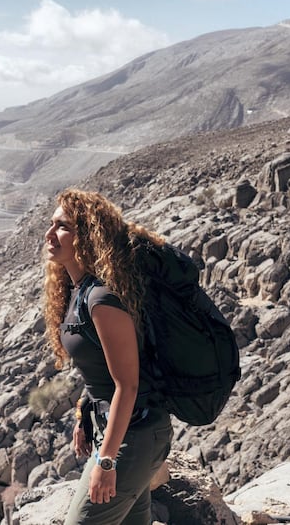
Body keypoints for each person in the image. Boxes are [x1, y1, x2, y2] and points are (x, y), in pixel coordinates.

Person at [42, 188, 173, 525]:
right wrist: (85, 412)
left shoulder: (101, 299)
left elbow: (127, 385)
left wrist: (107, 462)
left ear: (86, 236)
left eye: (63, 227)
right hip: (120, 432)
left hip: (136, 437)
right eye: (52, 224)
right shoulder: (78, 293)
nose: (50, 234)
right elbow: (100, 369)